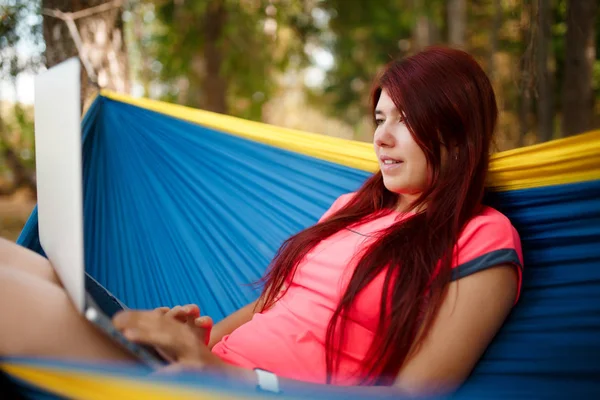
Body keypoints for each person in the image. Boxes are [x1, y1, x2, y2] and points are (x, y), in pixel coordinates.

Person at [0, 46, 523, 397]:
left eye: (405, 120)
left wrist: (236, 378)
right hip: (199, 371)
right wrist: (198, 341)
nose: (381, 138)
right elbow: (272, 303)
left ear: (457, 129)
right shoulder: (350, 208)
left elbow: (414, 394)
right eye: (380, 119)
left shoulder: (481, 237)